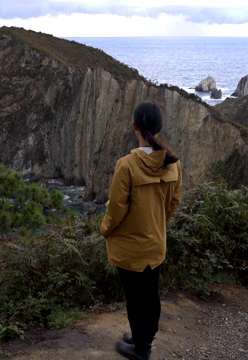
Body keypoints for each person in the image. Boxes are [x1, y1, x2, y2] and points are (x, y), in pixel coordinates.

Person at [100, 100, 182, 360]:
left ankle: (141, 350)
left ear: (134, 126)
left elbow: (117, 211)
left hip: (130, 246)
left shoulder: (127, 165)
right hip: (156, 242)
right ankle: (144, 336)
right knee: (151, 293)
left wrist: (105, 229)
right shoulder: (173, 163)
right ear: (158, 127)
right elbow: (173, 203)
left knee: (135, 297)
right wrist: (155, 222)